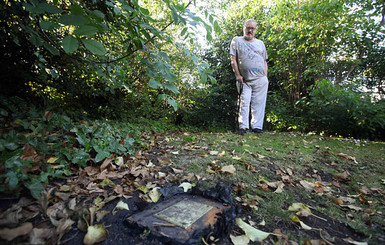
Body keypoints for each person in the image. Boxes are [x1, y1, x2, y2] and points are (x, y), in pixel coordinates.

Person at [230, 19, 269, 134]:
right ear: (244, 29)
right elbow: (233, 59)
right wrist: (237, 74)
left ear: (255, 30)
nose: (250, 30)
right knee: (244, 102)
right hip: (245, 80)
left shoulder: (260, 43)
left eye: (252, 28)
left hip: (260, 79)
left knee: (259, 104)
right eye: (248, 28)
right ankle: (243, 127)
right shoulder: (236, 40)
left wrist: (265, 77)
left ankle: (257, 127)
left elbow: (264, 61)